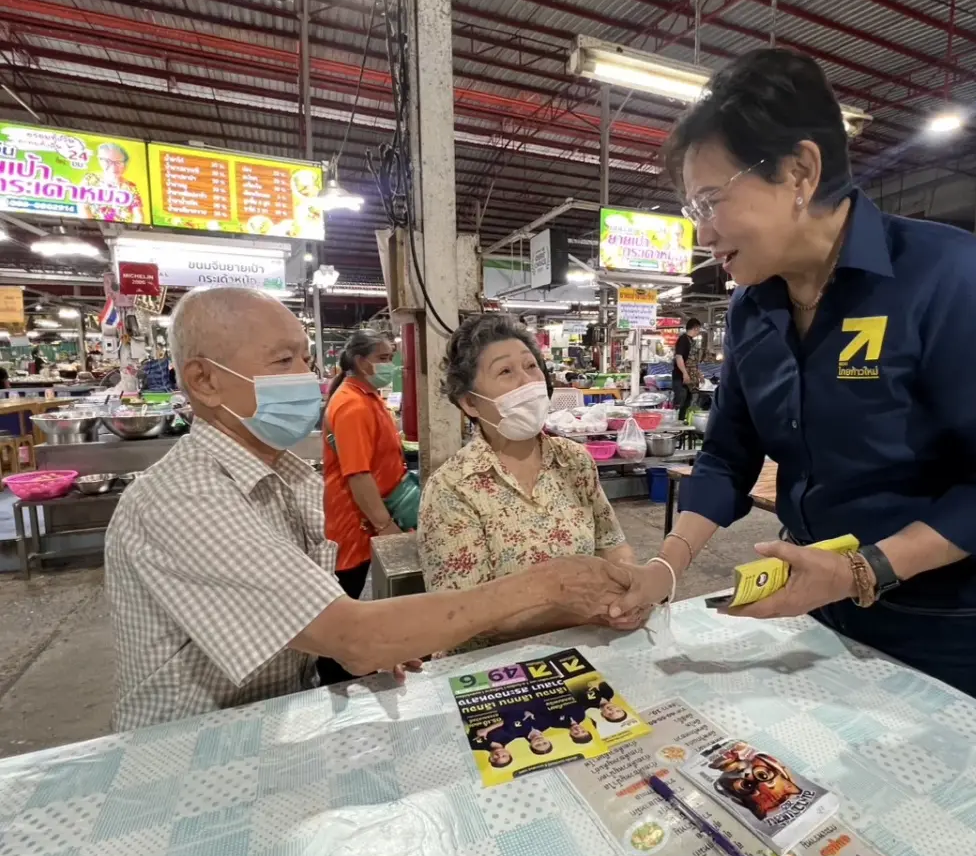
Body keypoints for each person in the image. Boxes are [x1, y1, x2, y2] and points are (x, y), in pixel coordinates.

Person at [610, 48, 976, 715]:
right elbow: (727, 455)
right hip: (817, 602)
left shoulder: (944, 275)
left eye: (711, 202)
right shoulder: (752, 308)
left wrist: (865, 569)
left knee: (933, 807)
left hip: (944, 619)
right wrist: (666, 567)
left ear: (800, 171)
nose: (701, 233)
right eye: (691, 209)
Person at [105, 288, 631, 729]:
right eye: (283, 361)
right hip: (191, 751)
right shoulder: (184, 498)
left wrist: (393, 634)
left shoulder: (273, 482)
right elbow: (354, 636)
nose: (304, 376)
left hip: (273, 720)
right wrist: (552, 583)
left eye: (306, 358)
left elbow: (320, 630)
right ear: (203, 380)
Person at [419, 313, 649, 644]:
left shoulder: (574, 461)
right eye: (505, 372)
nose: (527, 382)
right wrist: (587, 609)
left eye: (531, 367)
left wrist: (630, 589)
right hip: (492, 666)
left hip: (584, 644)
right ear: (470, 402)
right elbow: (462, 612)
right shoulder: (453, 487)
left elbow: (612, 545)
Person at [319, 329, 407, 684]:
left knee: (353, 594)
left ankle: (350, 666)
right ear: (360, 361)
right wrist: (384, 525)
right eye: (384, 358)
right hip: (354, 520)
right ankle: (335, 676)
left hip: (367, 514)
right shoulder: (352, 404)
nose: (391, 365)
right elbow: (357, 475)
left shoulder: (367, 396)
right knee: (346, 596)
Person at [672, 318, 703, 418]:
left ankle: (682, 426)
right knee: (680, 402)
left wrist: (698, 374)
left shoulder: (692, 341)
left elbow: (693, 361)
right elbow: (679, 357)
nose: (698, 332)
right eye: (698, 329)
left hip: (690, 379)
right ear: (695, 328)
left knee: (687, 403)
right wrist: (684, 373)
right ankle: (675, 427)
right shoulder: (683, 340)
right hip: (681, 378)